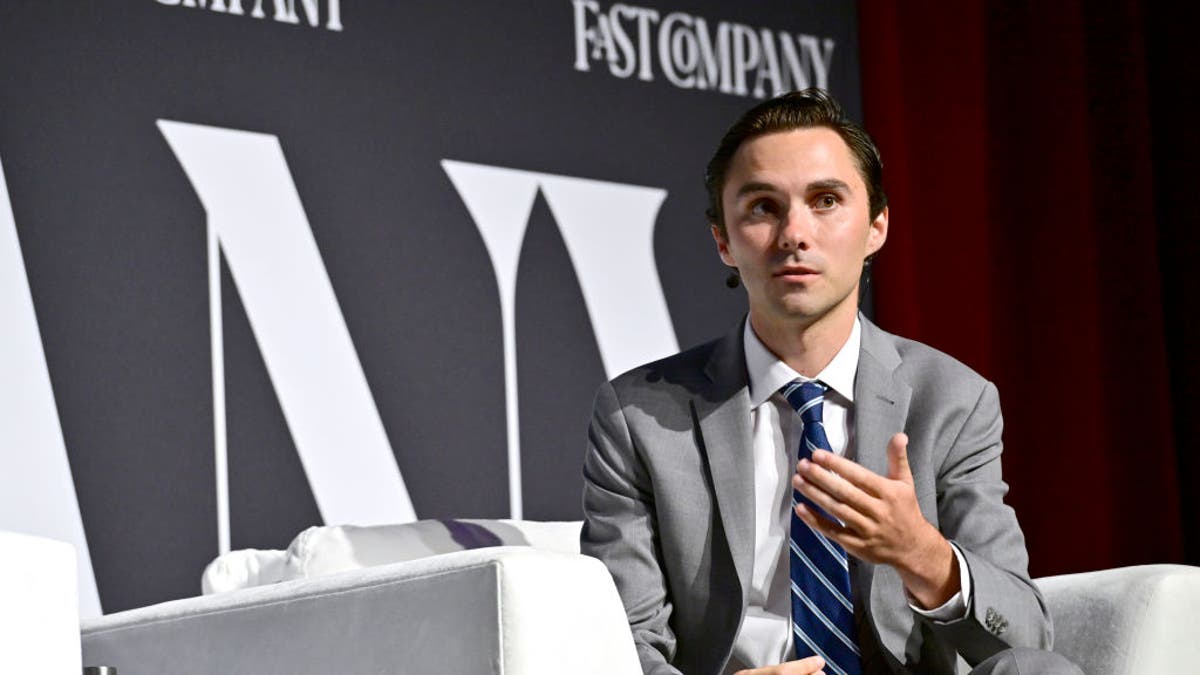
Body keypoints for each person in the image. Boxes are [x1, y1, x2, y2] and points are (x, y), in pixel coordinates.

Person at [580, 89, 1082, 675]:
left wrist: (922, 553)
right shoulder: (637, 416)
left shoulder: (953, 400)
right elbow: (624, 640)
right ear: (724, 241)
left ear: (876, 227)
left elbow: (1025, 633)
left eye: (824, 201)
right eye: (763, 207)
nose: (794, 232)